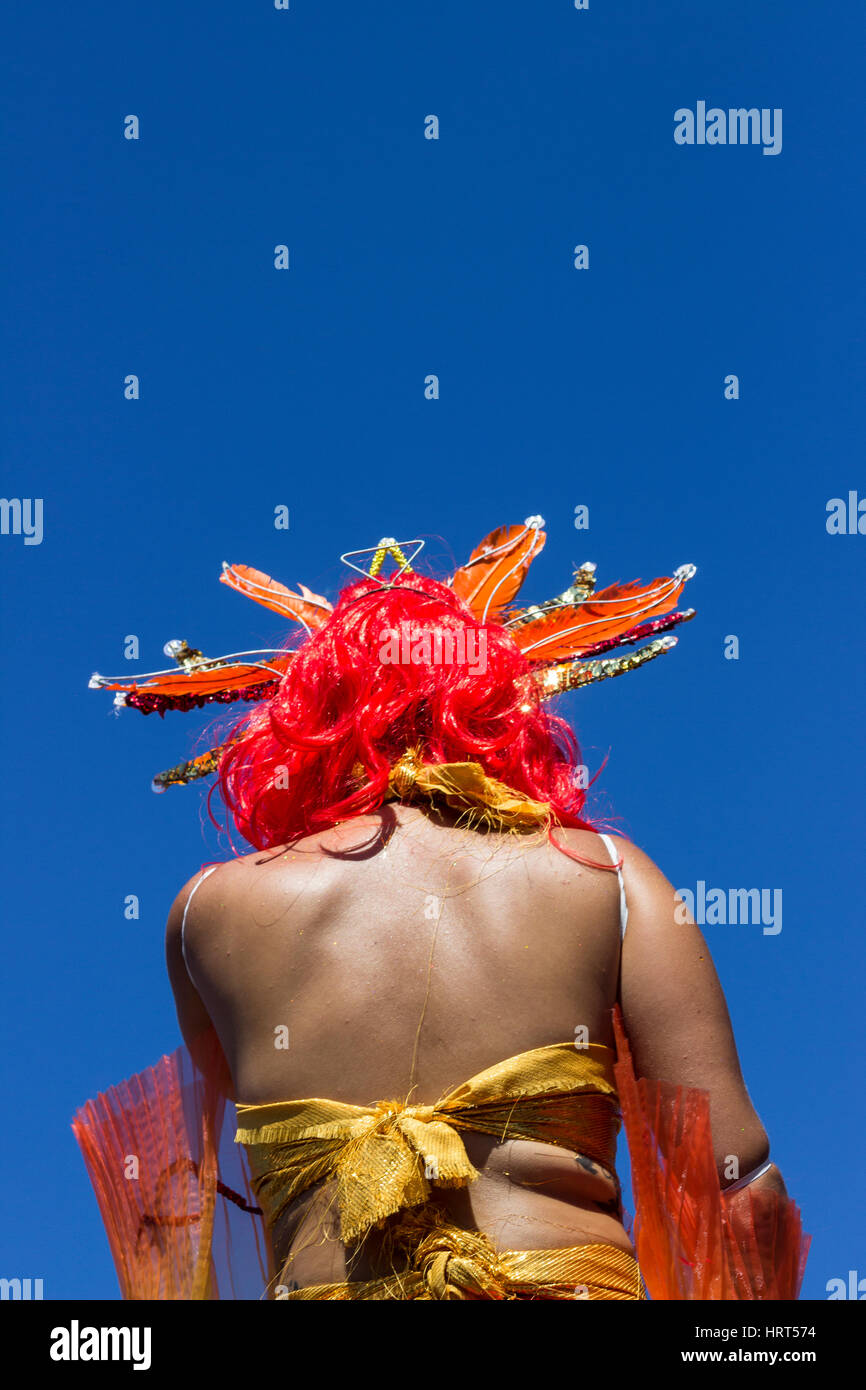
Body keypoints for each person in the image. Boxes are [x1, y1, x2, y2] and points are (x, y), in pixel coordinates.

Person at [74, 522, 808, 1299]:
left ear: (301, 718)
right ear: (504, 698)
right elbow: (738, 1184)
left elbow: (241, 1177)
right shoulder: (607, 877)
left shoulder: (207, 912)